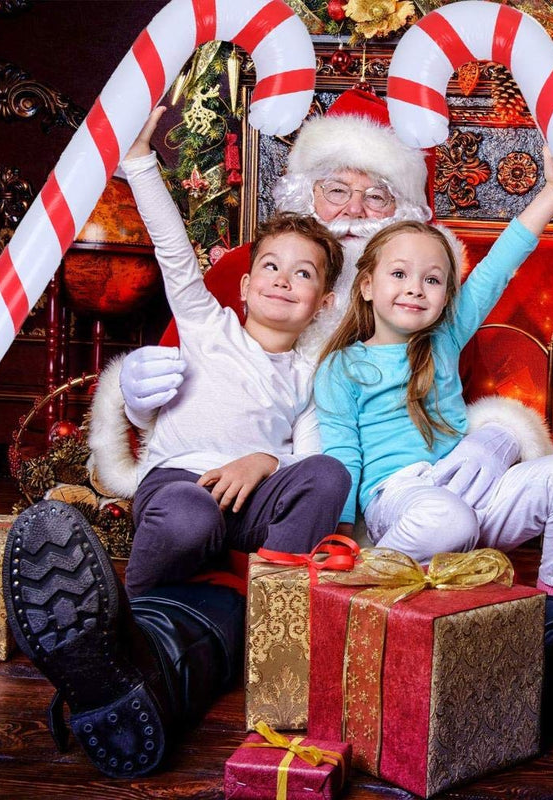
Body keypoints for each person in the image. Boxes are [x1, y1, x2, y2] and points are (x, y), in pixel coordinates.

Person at [4, 89, 553, 779]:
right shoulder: (244, 284)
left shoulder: (432, 304)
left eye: (376, 199)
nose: (353, 211)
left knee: (463, 588)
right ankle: (124, 676)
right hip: (267, 541)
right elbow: (182, 310)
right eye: (337, 190)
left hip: (347, 541)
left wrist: (500, 437)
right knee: (201, 617)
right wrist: (128, 391)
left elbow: (472, 376)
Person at [313, 157, 553, 608]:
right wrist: (342, 533)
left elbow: (495, 270)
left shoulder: (444, 337)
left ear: (447, 295)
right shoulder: (344, 365)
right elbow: (342, 454)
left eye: (432, 280)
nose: (415, 288)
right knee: (449, 520)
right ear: (366, 285)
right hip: (404, 500)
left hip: (472, 486)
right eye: (400, 274)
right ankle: (370, 577)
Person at [115, 106, 350, 599]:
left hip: (252, 501)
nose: (283, 280)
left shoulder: (309, 374)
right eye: (271, 267)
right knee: (189, 514)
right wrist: (138, 161)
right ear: (244, 286)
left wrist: (263, 461)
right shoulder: (206, 324)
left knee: (329, 474)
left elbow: (309, 459)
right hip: (180, 485)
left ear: (322, 304)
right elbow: (173, 249)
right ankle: (133, 613)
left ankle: (274, 614)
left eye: (303, 274)